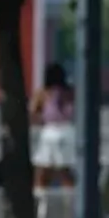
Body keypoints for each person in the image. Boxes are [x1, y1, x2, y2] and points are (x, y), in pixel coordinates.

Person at [30, 62, 76, 190]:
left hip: (49, 132)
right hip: (68, 131)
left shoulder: (43, 93)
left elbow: (33, 113)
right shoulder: (70, 92)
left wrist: (43, 118)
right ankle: (72, 202)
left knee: (43, 173)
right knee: (65, 171)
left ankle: (40, 205)